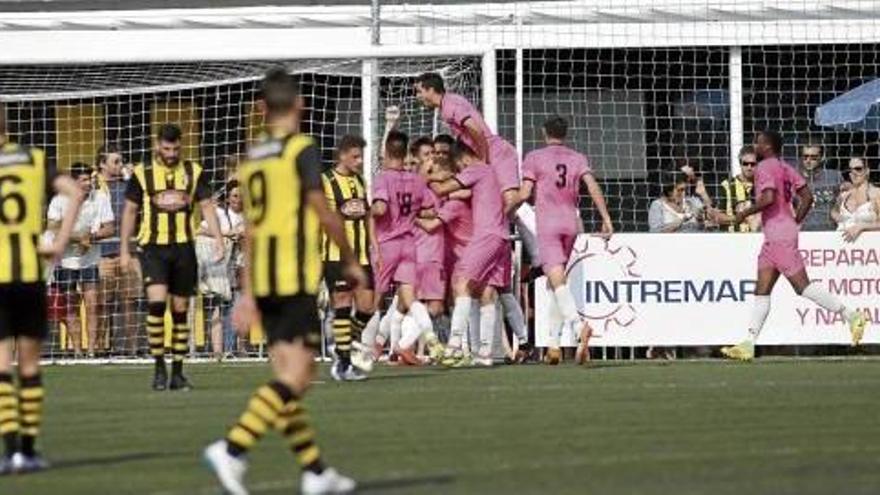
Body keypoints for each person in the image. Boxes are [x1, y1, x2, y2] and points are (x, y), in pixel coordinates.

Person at [203, 68, 366, 495]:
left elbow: (253, 229)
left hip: (266, 278)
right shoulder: (301, 148)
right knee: (299, 376)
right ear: (300, 105)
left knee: (288, 378)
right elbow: (322, 209)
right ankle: (233, 448)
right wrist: (350, 259)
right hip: (292, 278)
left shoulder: (253, 155)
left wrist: (249, 292)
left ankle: (315, 472)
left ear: (261, 109)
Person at [715, 131, 867, 360]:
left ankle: (851, 315)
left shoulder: (765, 167)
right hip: (778, 233)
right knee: (762, 289)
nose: (755, 144)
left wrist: (739, 216)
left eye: (758, 141)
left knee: (802, 287)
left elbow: (767, 198)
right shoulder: (786, 167)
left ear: (768, 146)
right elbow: (807, 197)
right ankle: (748, 343)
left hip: (778, 235)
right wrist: (794, 223)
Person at [0, 101, 84, 474]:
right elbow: (76, 193)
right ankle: (29, 452)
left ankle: (8, 452)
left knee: (2, 366)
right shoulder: (34, 159)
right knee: (30, 366)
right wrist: (59, 241)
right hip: (31, 272)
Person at [120, 123, 224, 391]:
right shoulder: (142, 174)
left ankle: (177, 373)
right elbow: (130, 212)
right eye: (166, 148)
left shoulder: (193, 171)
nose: (171, 153)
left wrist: (219, 239)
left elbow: (207, 206)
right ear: (157, 145)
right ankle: (158, 368)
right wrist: (124, 249)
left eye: (176, 148)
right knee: (156, 304)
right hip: (152, 248)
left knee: (180, 310)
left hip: (183, 248)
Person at [515, 116, 613, 365]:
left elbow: (526, 192)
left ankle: (579, 326)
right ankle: (553, 344)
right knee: (557, 284)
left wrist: (505, 208)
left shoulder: (534, 157)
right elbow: (592, 186)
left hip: (547, 223)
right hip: (571, 222)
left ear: (543, 132)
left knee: (557, 282)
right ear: (565, 134)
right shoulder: (577, 158)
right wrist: (606, 218)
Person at [427, 140, 511, 367]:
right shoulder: (489, 173)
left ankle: (454, 346)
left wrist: (426, 177)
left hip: (486, 235)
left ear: (463, 158)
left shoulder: (475, 169)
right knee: (486, 292)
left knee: (461, 285)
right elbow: (461, 191)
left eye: (459, 165)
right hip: (502, 236)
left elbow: (444, 190)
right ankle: (485, 353)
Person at [370, 130, 444, 365]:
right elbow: (431, 210)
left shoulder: (383, 178)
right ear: (404, 154)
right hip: (409, 245)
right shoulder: (416, 181)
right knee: (410, 299)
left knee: (376, 299)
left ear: (386, 152)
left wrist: (366, 210)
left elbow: (380, 209)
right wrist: (413, 214)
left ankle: (365, 351)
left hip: (387, 244)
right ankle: (430, 337)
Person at [321, 135, 375, 380]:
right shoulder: (325, 181)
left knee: (367, 306)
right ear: (341, 155)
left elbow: (367, 215)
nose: (360, 161)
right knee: (342, 304)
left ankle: (342, 345)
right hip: (335, 255)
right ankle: (344, 363)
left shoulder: (360, 180)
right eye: (355, 156)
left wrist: (375, 245)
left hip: (362, 255)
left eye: (361, 156)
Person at [47, 162, 114, 358]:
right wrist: (79, 238)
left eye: (90, 179)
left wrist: (91, 239)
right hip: (65, 261)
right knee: (70, 305)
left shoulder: (100, 197)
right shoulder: (59, 200)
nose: (89, 183)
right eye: (84, 180)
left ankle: (91, 350)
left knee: (93, 304)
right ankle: (76, 351)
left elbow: (110, 228)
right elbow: (53, 229)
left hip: (90, 260)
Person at [95, 144, 143, 355]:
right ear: (102, 165)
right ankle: (98, 348)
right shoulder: (95, 187)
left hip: (129, 251)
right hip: (102, 253)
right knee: (102, 304)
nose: (120, 165)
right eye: (116, 161)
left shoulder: (129, 185)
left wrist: (135, 178)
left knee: (130, 302)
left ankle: (132, 349)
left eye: (122, 160)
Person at [196, 180, 244, 360]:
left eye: (241, 196)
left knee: (240, 305)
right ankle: (219, 350)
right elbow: (199, 230)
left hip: (242, 265)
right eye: (234, 196)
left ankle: (238, 348)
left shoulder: (249, 216)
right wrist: (227, 234)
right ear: (227, 197)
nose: (238, 200)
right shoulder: (220, 214)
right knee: (219, 306)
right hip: (222, 267)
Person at [833, 158, 880, 242]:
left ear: (867, 171)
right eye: (850, 170)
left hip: (869, 247)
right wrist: (842, 222)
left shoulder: (876, 193)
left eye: (858, 169)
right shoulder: (844, 195)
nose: (853, 173)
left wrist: (861, 226)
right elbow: (833, 211)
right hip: (841, 246)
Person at [798, 143, 842, 231]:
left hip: (830, 231)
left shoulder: (834, 176)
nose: (808, 160)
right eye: (805, 156)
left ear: (822, 158)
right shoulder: (795, 179)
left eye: (813, 157)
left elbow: (844, 199)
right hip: (804, 232)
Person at [718, 146, 760, 233]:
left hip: (757, 239)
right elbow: (718, 217)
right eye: (745, 164)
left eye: (753, 164)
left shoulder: (764, 187)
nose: (749, 167)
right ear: (740, 163)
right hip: (733, 240)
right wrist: (740, 217)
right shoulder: (727, 186)